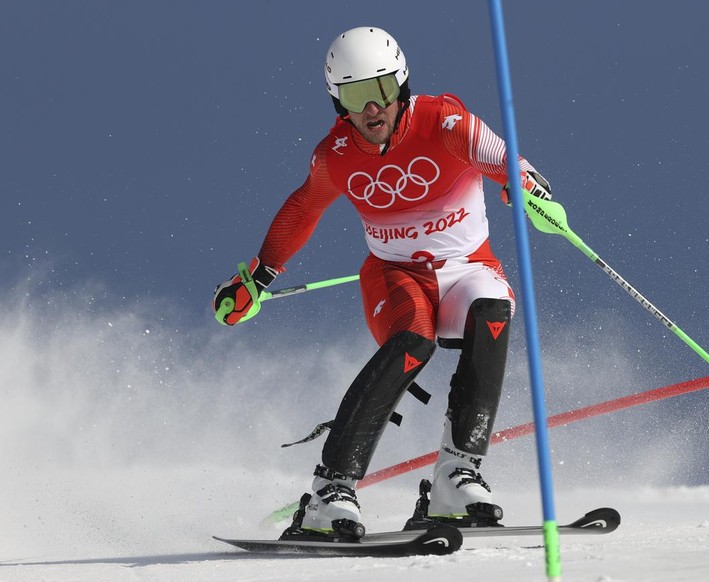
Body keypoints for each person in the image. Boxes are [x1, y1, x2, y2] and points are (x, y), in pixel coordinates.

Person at [212, 26, 553, 538]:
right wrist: (258, 277)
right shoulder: (336, 155)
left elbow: (506, 161)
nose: (372, 108)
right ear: (337, 104)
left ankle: (455, 476)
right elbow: (304, 206)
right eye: (354, 96)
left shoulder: (446, 122)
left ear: (402, 85)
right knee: (412, 342)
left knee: (492, 313)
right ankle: (329, 493)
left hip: (468, 268)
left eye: (382, 90)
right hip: (396, 276)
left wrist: (527, 188)